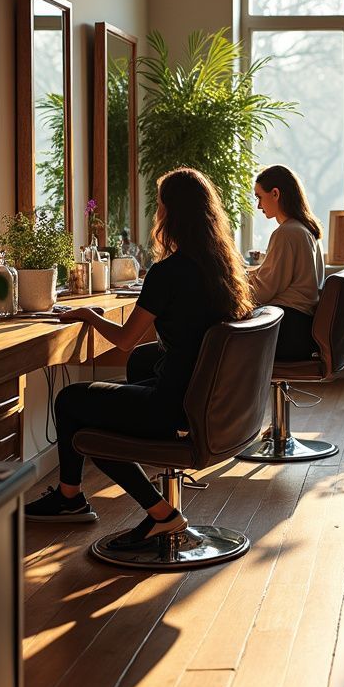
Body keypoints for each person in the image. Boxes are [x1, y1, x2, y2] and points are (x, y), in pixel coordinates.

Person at [24, 167, 254, 546]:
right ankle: (72, 496)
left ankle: (153, 511)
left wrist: (90, 315)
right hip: (209, 401)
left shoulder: (167, 272)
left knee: (71, 402)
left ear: (171, 213)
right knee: (136, 368)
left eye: (160, 205)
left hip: (175, 405)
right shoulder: (223, 267)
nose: (157, 212)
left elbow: (126, 339)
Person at [249, 165, 325, 362]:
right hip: (301, 328)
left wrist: (232, 287)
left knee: (219, 339)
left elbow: (263, 291)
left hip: (287, 331)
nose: (258, 206)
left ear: (275, 193)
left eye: (259, 197)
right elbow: (275, 276)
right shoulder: (306, 230)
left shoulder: (286, 233)